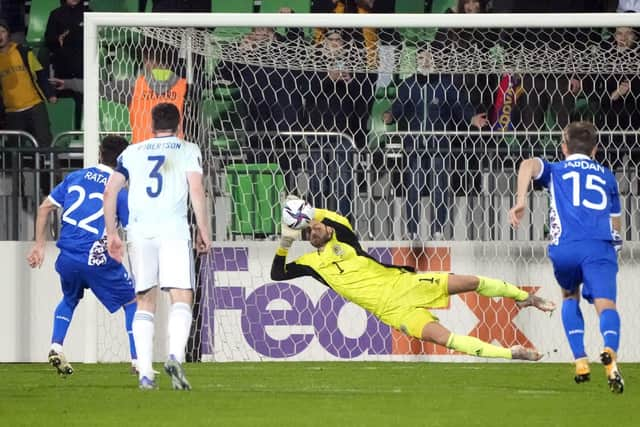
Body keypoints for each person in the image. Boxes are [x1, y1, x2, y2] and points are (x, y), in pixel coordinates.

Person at [271, 197, 555, 362]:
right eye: (308, 232)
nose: (314, 231)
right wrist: (286, 240)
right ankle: (512, 353)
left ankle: (526, 298)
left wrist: (303, 212)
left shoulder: (344, 236)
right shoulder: (310, 264)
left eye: (316, 227)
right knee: (447, 340)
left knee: (469, 282)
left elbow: (322, 216)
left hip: (405, 284)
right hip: (393, 312)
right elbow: (277, 274)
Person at [509, 121, 624, 393]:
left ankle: (580, 359)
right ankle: (609, 351)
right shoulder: (607, 177)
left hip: (565, 248)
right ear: (595, 150)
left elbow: (527, 164)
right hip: (598, 246)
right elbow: (616, 224)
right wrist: (613, 251)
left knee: (569, 296)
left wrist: (521, 200)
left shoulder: (556, 170)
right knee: (606, 306)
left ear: (563, 148)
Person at [104, 102, 211, 390]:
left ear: (151, 124)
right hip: (173, 230)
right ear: (179, 125)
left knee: (144, 300)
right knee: (182, 295)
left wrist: (111, 233)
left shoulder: (132, 152)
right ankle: (175, 355)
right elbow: (197, 191)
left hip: (139, 231)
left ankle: (145, 374)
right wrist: (204, 231)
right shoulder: (188, 150)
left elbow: (110, 191)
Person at [26, 135, 137, 376]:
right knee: (132, 302)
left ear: (99, 153)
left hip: (67, 256)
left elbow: (45, 207)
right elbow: (130, 228)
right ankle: (138, 360)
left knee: (69, 298)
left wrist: (39, 245)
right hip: (97, 256)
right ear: (123, 161)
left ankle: (56, 345)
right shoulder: (119, 190)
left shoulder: (74, 177)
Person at [383, 48, 488, 240]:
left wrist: (471, 118)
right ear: (416, 62)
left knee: (438, 188)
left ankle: (438, 231)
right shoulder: (408, 85)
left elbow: (459, 106)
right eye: (421, 58)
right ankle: (412, 231)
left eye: (429, 57)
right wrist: (390, 115)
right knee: (414, 187)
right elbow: (398, 107)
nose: (425, 61)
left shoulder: (445, 85)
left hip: (439, 146)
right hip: (414, 146)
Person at [100, 42, 188, 144]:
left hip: (142, 152)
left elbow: (100, 88)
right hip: (174, 151)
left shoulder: (134, 86)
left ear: (146, 60)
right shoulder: (184, 86)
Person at [0, 19, 56, 148]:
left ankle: (51, 168)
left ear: (8, 33)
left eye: (2, 31)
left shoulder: (24, 51)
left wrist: (49, 94)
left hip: (34, 105)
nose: (0, 36)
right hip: (12, 111)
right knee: (14, 150)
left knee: (45, 143)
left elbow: (39, 73)